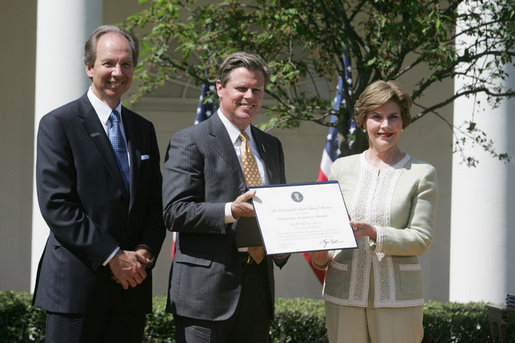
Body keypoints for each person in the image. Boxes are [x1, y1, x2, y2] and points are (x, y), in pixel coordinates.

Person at [33, 25, 166, 343]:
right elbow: (58, 206)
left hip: (130, 289)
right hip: (77, 293)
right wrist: (113, 255)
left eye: (126, 64)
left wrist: (144, 252)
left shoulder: (143, 129)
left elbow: (153, 204)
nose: (118, 72)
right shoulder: (58, 124)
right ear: (90, 67)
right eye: (108, 63)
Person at [162, 52, 289, 343]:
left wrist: (288, 241)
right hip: (204, 297)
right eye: (241, 88)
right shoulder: (190, 140)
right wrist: (230, 210)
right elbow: (175, 211)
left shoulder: (271, 146)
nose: (250, 96)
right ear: (220, 88)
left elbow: (278, 210)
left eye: (257, 90)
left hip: (257, 293)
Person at [309, 80, 438, 343]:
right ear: (363, 120)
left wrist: (375, 232)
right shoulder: (340, 168)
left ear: (403, 121)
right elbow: (326, 231)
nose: (385, 125)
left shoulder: (422, 174)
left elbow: (421, 239)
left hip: (398, 299)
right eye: (376, 116)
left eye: (393, 117)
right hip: (342, 295)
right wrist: (320, 255)